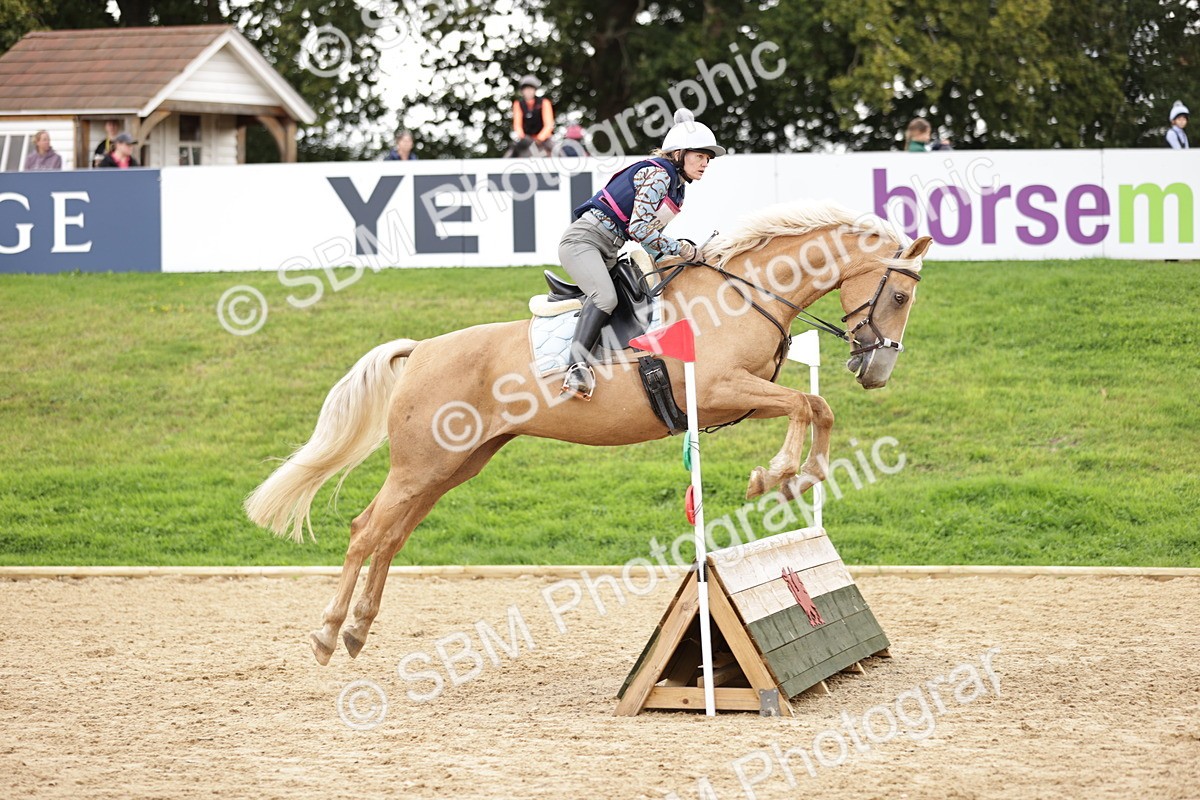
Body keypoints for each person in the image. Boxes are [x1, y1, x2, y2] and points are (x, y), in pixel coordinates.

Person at [557, 109, 724, 400]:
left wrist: (677, 260)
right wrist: (680, 248)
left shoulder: (677, 188)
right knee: (605, 298)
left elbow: (649, 240)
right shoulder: (660, 175)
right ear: (679, 154)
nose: (705, 163)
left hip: (608, 249)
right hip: (583, 242)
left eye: (708, 158)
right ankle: (576, 368)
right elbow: (639, 228)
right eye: (700, 156)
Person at [510, 75, 554, 157]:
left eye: (531, 88)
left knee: (559, 153)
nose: (528, 91)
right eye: (526, 89)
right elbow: (517, 125)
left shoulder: (544, 103)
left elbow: (548, 125)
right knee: (509, 155)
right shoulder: (518, 104)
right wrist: (523, 137)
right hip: (527, 140)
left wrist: (539, 139)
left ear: (535, 90)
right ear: (522, 91)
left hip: (544, 140)